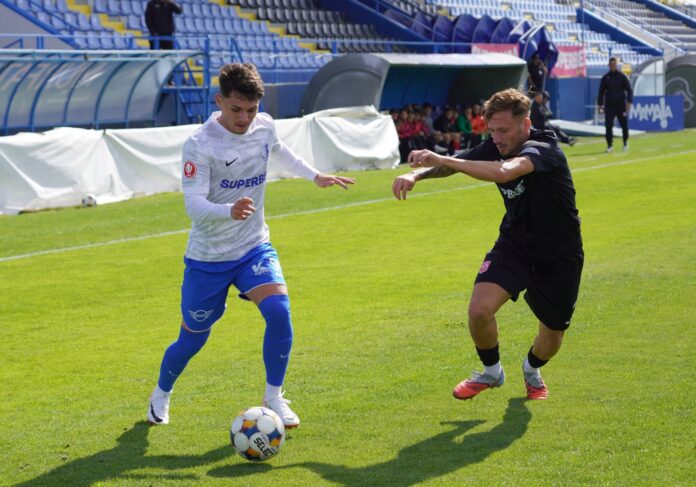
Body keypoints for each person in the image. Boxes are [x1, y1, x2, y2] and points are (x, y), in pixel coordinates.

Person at [147, 63, 355, 428]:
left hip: (253, 247)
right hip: (209, 257)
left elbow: (279, 151)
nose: (245, 118)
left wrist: (314, 175)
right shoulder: (200, 144)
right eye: (236, 109)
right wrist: (228, 210)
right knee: (192, 340)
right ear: (219, 101)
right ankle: (162, 392)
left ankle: (274, 396)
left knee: (279, 311)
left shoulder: (265, 126)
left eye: (252, 110)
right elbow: (193, 205)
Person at [392, 88, 583, 401]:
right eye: (492, 130)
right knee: (479, 311)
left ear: (525, 124)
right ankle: (492, 372)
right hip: (515, 245)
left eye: (503, 130)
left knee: (551, 336)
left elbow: (505, 172)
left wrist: (441, 157)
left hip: (558, 254)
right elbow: (457, 162)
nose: (496, 138)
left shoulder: (543, 148)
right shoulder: (496, 145)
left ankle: (531, 368)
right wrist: (417, 176)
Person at [597, 57, 633, 153]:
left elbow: (629, 89)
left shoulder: (622, 76)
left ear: (616, 65)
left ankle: (625, 143)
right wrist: (600, 105)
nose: (613, 66)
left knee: (624, 125)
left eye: (614, 64)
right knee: (608, 125)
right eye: (611, 64)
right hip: (609, 106)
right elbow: (601, 92)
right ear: (609, 65)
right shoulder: (605, 78)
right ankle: (610, 146)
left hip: (621, 105)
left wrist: (629, 102)